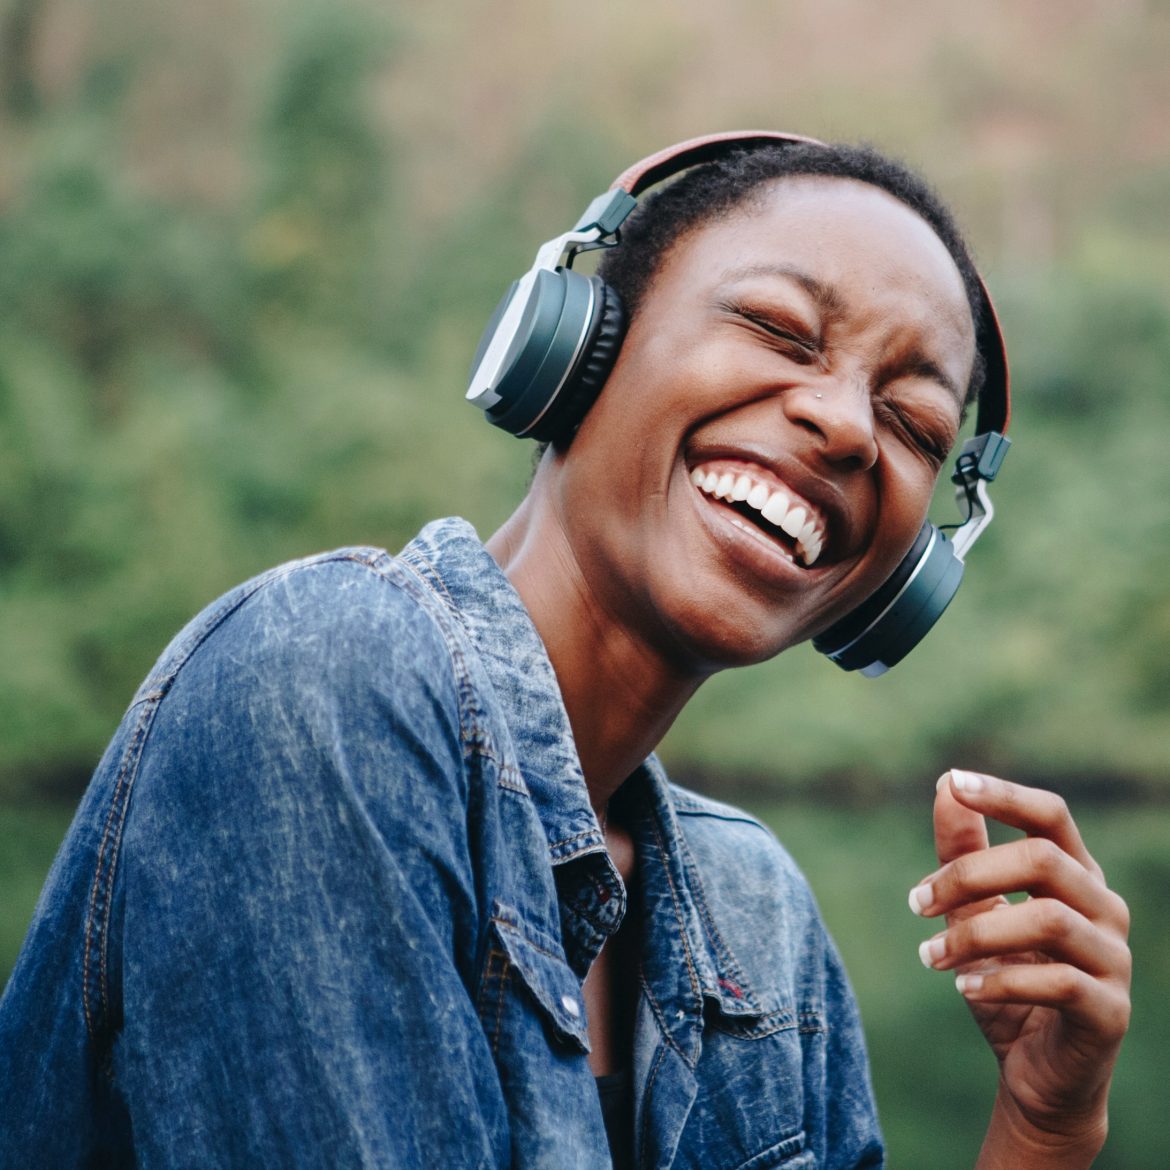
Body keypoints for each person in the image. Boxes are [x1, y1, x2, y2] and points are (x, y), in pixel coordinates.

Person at [0, 132, 1130, 1169]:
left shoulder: (758, 915)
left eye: (914, 425)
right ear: (580, 345)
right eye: (780, 331)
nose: (844, 424)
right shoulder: (319, 677)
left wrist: (1045, 1126)